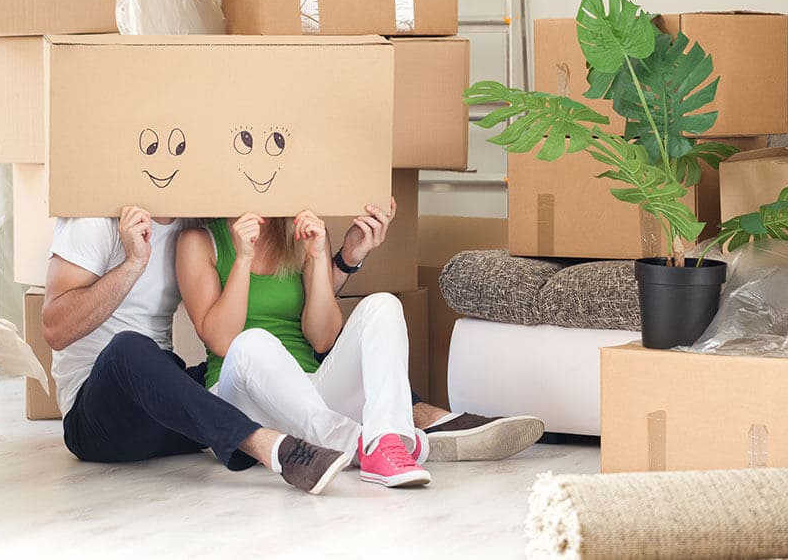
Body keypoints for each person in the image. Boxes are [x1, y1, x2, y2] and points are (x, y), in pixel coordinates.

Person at [42, 207, 351, 496]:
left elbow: (287, 294)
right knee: (128, 347)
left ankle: (333, 437)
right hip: (99, 418)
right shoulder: (96, 219)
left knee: (243, 360)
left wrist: (347, 258)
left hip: (163, 404)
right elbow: (55, 330)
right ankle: (270, 446)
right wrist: (133, 263)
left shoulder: (192, 218)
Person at [177, 206, 431, 488]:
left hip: (309, 395)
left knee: (383, 305)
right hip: (243, 401)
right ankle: (361, 444)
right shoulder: (198, 241)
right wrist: (243, 259)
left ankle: (387, 437)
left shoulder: (300, 234)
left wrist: (318, 257)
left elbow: (322, 339)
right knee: (252, 342)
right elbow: (221, 341)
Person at [329, 200, 546, 462]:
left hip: (317, 378)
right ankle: (419, 425)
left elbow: (314, 320)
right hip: (278, 392)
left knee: (382, 304)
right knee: (264, 347)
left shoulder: (295, 231)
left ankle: (403, 433)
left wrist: (346, 258)